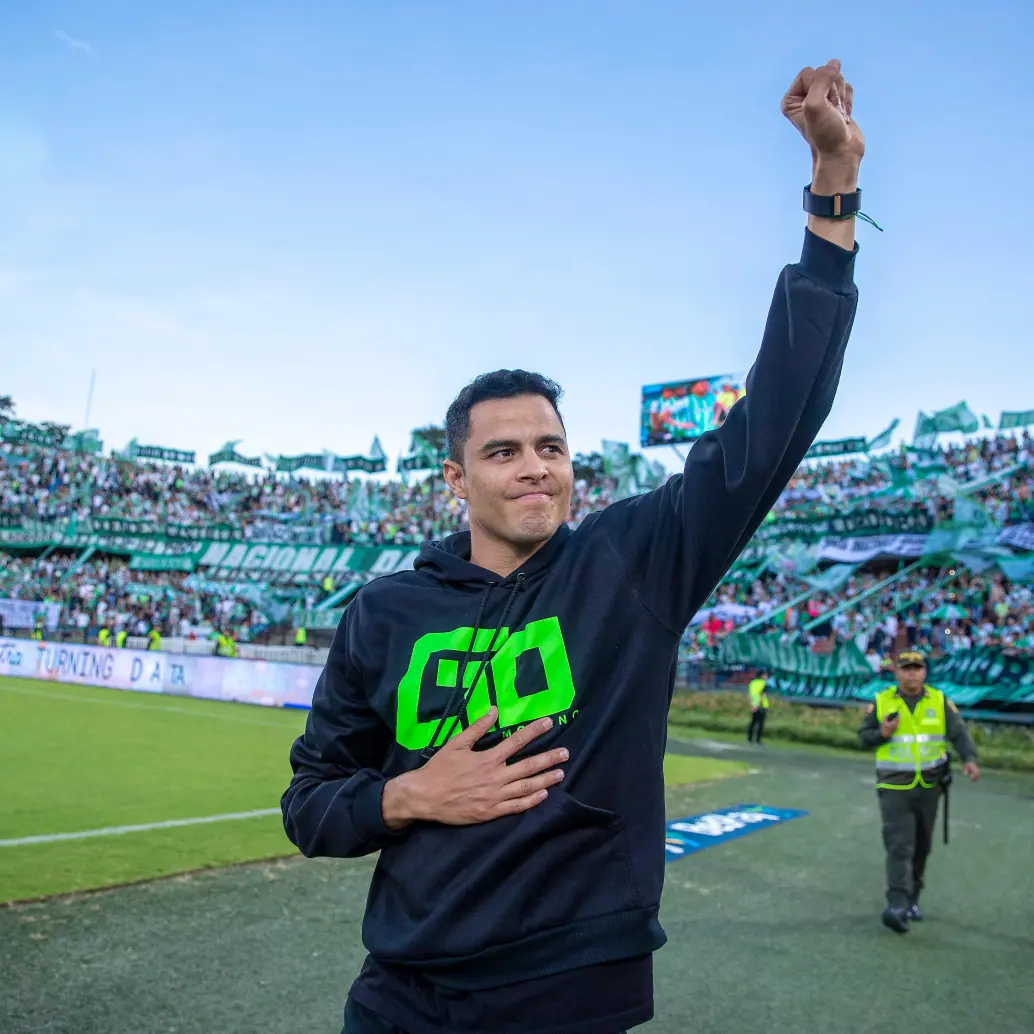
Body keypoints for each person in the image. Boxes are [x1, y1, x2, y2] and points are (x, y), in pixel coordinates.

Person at [283, 57, 863, 1034]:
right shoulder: (384, 610)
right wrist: (408, 796)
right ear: (455, 478)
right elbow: (310, 802)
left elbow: (773, 422)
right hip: (399, 991)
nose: (534, 469)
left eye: (550, 447)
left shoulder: (630, 565)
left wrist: (831, 192)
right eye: (503, 451)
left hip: (570, 991)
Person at [857, 650, 980, 934]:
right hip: (893, 785)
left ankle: (913, 898)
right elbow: (863, 737)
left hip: (929, 786)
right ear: (897, 672)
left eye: (917, 668)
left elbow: (958, 733)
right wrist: (882, 733)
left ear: (924, 672)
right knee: (899, 845)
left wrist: (970, 759)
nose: (911, 673)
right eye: (906, 668)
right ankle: (897, 904)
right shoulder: (882, 700)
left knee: (922, 845)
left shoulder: (939, 700)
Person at [747, 671, 769, 744]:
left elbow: (749, 695)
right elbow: (762, 695)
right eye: (765, 675)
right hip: (761, 706)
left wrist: (752, 706)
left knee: (753, 722)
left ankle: (750, 739)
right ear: (761, 676)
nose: (766, 677)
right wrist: (757, 706)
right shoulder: (763, 683)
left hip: (753, 705)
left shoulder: (752, 683)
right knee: (761, 724)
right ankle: (758, 740)